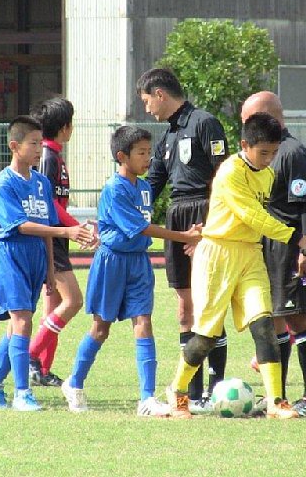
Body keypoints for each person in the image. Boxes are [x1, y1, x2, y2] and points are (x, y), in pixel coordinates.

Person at [165, 112, 306, 420]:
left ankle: (275, 401)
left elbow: (272, 212)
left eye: (274, 153)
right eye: (263, 152)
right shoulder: (230, 172)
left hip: (251, 255)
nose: (269, 160)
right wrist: (299, 239)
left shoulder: (267, 175)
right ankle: (178, 391)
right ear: (244, 145)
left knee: (264, 324)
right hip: (218, 255)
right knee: (207, 336)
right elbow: (252, 216)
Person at [60, 126, 201, 417]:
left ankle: (147, 398)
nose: (147, 158)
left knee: (144, 322)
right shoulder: (114, 189)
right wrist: (184, 236)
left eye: (149, 152)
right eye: (141, 153)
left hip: (138, 262)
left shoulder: (145, 188)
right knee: (101, 329)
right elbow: (142, 228)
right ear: (122, 156)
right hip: (112, 262)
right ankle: (74, 383)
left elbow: (145, 227)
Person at [0, 116, 95, 411]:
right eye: (33, 144)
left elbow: (46, 227)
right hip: (11, 256)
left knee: (17, 325)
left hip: (36, 257)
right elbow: (21, 225)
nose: (38, 150)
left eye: (41, 144)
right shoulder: (4, 184)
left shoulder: (41, 183)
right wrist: (67, 232)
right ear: (14, 146)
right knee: (22, 321)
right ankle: (22, 392)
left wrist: (50, 269)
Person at [138, 67, 229, 412]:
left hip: (203, 215)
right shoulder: (168, 137)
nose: (147, 108)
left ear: (160, 94)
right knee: (184, 309)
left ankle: (216, 389)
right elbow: (151, 185)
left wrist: (208, 228)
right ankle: (191, 391)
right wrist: (125, 211)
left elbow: (224, 177)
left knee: (209, 305)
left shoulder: (204, 123)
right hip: (177, 216)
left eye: (147, 101)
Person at [240, 92, 306, 417]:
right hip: (268, 247)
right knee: (274, 320)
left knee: (299, 319)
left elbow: (305, 204)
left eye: (250, 118)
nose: (245, 124)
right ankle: (278, 397)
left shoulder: (291, 152)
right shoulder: (264, 153)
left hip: (290, 248)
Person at [27, 97, 92, 388]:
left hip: (58, 237)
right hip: (51, 238)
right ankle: (29, 356)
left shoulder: (54, 155)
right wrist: (74, 227)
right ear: (65, 127)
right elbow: (48, 203)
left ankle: (41, 369)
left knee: (52, 305)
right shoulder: (47, 157)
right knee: (73, 301)